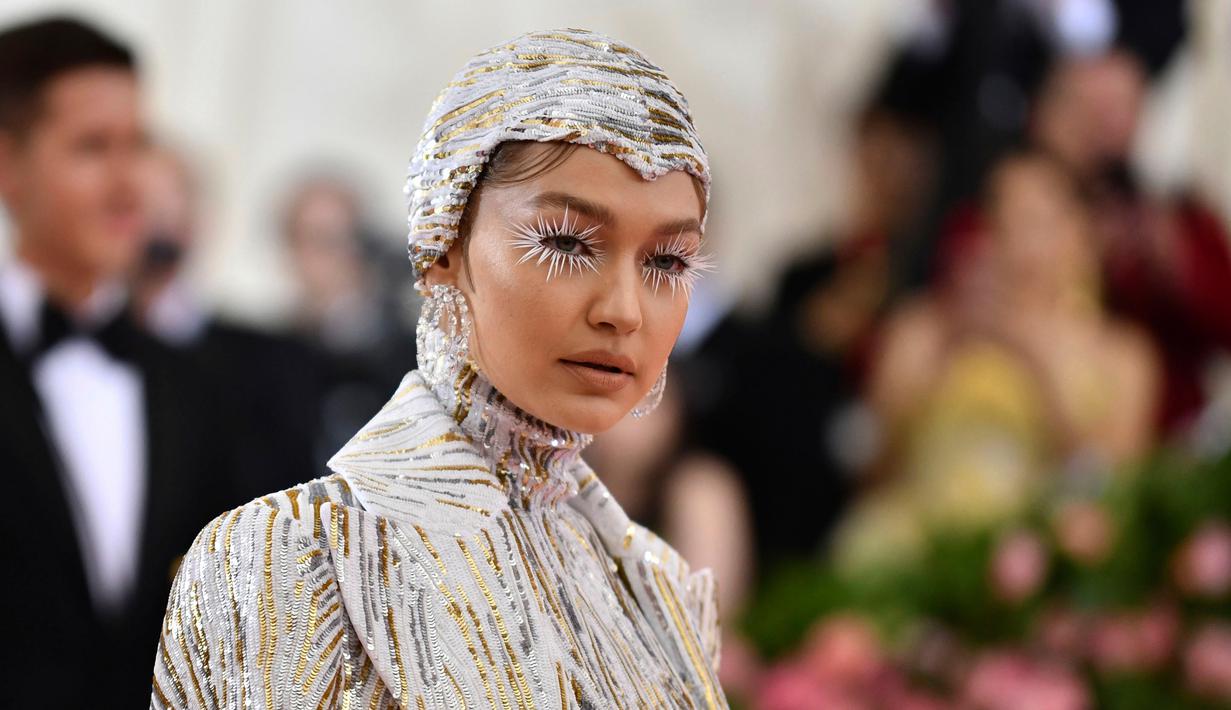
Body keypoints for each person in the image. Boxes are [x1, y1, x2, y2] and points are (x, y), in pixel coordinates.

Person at [151, 28, 727, 709]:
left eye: (667, 261)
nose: (624, 311)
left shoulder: (658, 591)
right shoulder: (288, 557)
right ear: (439, 248)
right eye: (568, 242)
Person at [0, 17, 235, 707]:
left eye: (138, 145)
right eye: (92, 148)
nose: (131, 184)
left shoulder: (197, 384)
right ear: (8, 165)